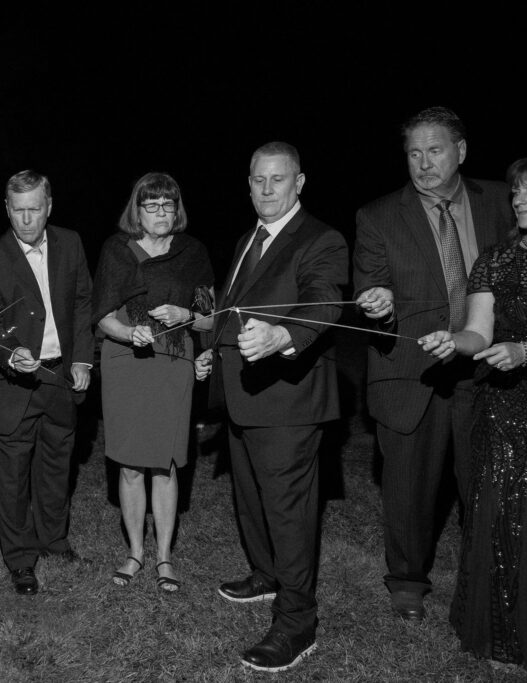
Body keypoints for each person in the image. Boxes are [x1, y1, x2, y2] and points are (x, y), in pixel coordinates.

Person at [353, 107, 513, 621]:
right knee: (407, 487)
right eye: (414, 153)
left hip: (486, 369)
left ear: (460, 152)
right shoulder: (377, 215)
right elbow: (370, 284)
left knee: (484, 483)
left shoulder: (502, 204)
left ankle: (487, 577)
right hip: (410, 369)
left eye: (435, 150)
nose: (423, 163)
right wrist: (377, 300)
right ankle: (406, 581)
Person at [203, 142, 347, 672]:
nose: (267, 189)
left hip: (289, 398)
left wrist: (285, 332)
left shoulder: (320, 239)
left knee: (288, 510)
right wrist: (210, 351)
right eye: (258, 180)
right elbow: (231, 307)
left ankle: (297, 620)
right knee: (252, 499)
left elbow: (324, 299)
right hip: (244, 397)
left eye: (278, 180)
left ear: (300, 182)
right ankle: (267, 575)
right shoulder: (250, 238)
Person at [418, 156, 527, 671]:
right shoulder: (494, 258)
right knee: (507, 514)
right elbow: (480, 332)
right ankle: (506, 632)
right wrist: (457, 342)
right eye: (516, 192)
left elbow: (517, 348)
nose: (519, 199)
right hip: (506, 405)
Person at [92, 172, 214, 595]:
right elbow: (103, 315)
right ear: (137, 210)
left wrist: (186, 316)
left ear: (177, 209)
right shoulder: (116, 250)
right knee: (128, 464)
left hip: (172, 361)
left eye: (169, 204)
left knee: (163, 464)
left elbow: (210, 316)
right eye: (152, 205)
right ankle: (134, 553)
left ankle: (164, 557)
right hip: (127, 359)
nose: (162, 213)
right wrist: (129, 333)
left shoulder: (193, 251)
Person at [0, 170, 94, 595]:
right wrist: (10, 355)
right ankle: (21, 559)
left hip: (60, 376)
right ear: (7, 209)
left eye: (35, 209)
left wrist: (83, 359)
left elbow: (83, 302)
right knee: (11, 475)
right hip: (13, 386)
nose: (26, 219)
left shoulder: (71, 243)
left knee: (56, 465)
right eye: (18, 210)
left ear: (49, 206)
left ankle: (53, 540)